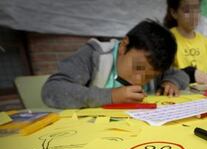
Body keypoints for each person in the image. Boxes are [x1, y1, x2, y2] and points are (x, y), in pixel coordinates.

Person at [42, 19, 189, 109]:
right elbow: (52, 90)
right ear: (124, 46)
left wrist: (171, 82)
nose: (138, 81)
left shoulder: (154, 63)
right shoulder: (94, 56)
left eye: (149, 77)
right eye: (138, 68)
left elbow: (181, 74)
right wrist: (110, 96)